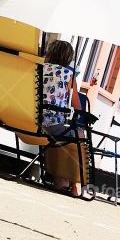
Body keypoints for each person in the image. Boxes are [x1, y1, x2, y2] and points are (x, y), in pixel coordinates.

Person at [41, 39, 82, 196]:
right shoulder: (68, 75)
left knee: (62, 138)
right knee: (78, 135)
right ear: (68, 59)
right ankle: (76, 184)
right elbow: (77, 107)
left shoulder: (38, 68)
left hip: (31, 121)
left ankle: (61, 181)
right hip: (52, 126)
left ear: (50, 53)